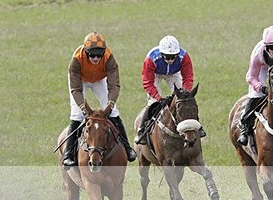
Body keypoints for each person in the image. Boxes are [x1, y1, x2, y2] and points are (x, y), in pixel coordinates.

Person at [62, 32, 136, 166]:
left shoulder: (109, 58)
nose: (96, 58)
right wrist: (84, 110)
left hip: (99, 79)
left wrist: (110, 104)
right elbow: (76, 90)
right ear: (86, 52)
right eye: (92, 55)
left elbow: (114, 85)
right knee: (77, 114)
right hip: (80, 81)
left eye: (99, 55)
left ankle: (127, 147)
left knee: (113, 112)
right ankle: (68, 154)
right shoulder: (76, 60)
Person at [135, 35, 201, 145]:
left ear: (177, 54)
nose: (170, 60)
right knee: (153, 103)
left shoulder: (184, 57)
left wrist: (185, 92)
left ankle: (198, 126)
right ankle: (141, 130)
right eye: (166, 57)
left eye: (173, 57)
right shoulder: (151, 59)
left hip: (173, 73)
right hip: (155, 74)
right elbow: (148, 83)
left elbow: (188, 76)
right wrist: (158, 98)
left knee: (186, 101)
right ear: (161, 54)